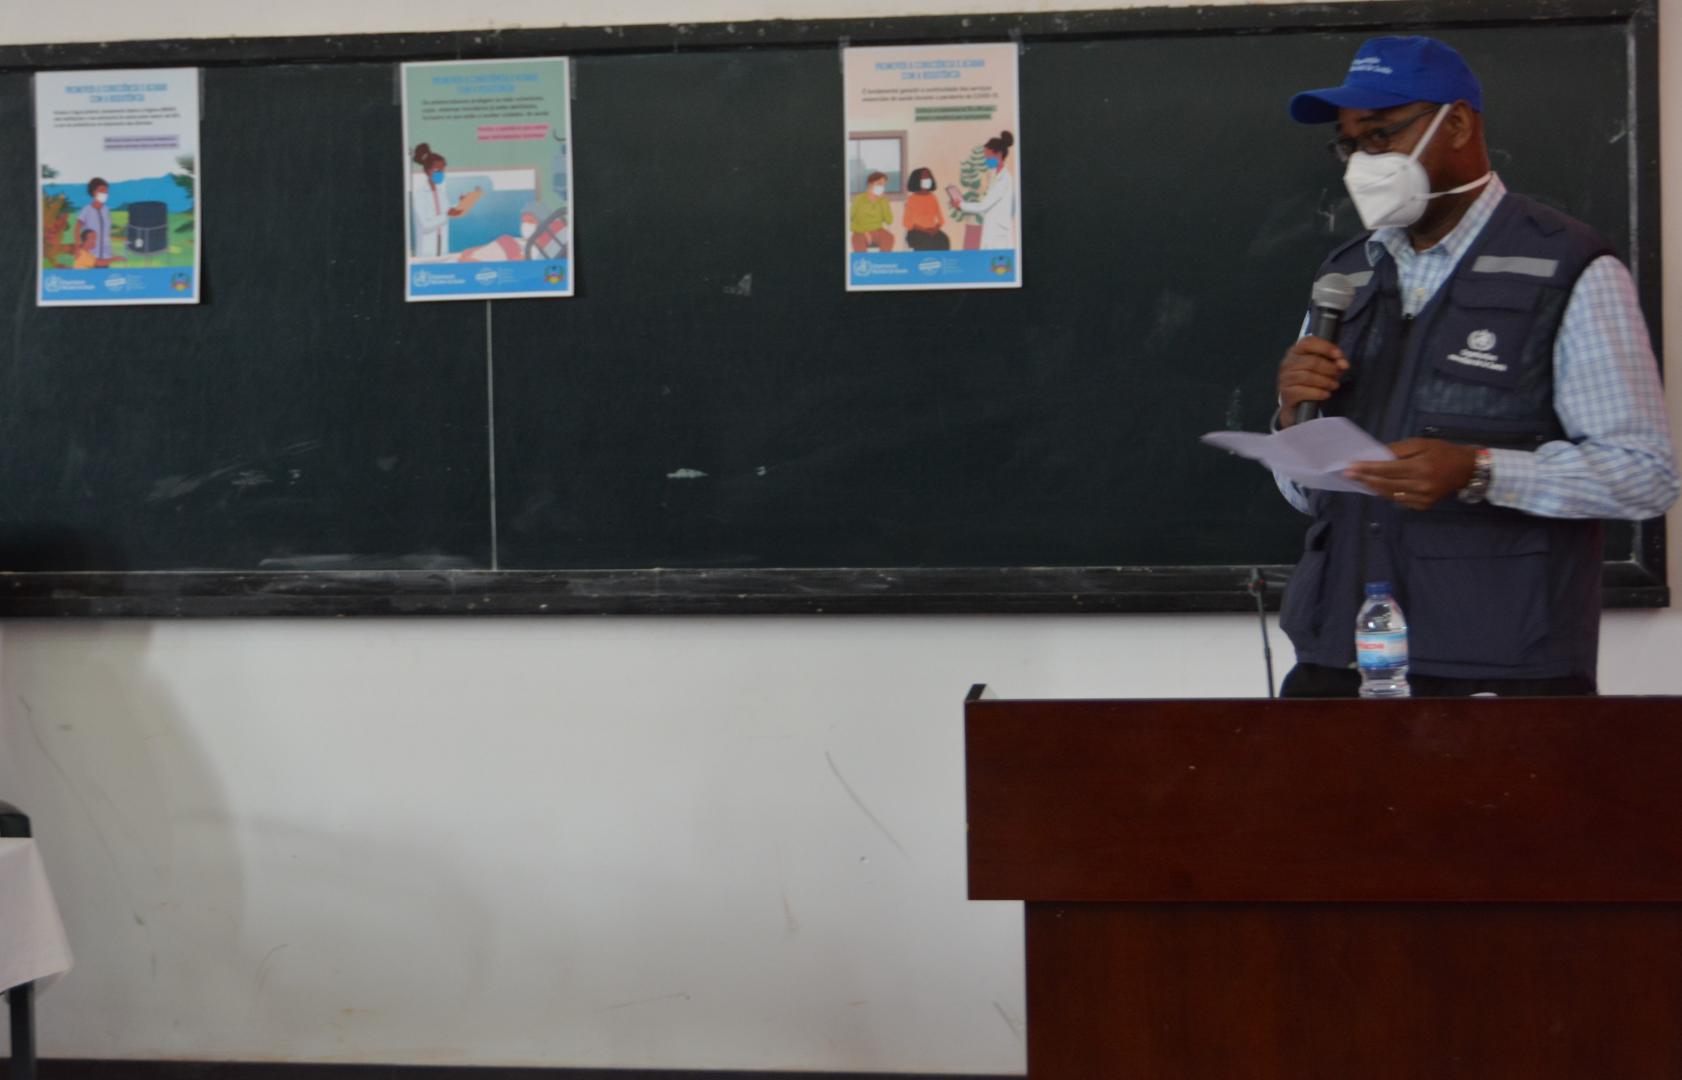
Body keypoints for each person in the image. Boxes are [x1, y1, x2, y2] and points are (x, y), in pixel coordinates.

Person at [1273, 36, 1678, 698]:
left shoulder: (1568, 266)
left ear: (1457, 124)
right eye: (1350, 146)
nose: (1363, 164)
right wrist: (1295, 422)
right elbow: (1308, 495)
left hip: (1501, 674)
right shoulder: (1346, 275)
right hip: (1340, 662)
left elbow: (1644, 476)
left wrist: (1480, 471)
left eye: (1380, 136)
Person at [410, 143, 477, 258]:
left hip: (442, 248)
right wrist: (447, 214)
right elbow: (426, 226)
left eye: (442, 170)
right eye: (438, 170)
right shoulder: (419, 195)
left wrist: (462, 203)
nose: (441, 174)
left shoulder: (441, 193)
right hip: (427, 251)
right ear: (428, 171)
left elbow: (448, 211)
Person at [953, 132, 1015, 250]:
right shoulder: (994, 175)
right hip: (993, 230)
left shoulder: (1004, 179)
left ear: (999, 154)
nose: (986, 160)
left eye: (988, 157)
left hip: (999, 234)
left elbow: (983, 206)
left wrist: (961, 205)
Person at [457, 203, 565, 263]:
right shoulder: (532, 240)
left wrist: (474, 261)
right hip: (508, 246)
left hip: (503, 254)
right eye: (523, 221)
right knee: (467, 252)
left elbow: (518, 260)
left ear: (542, 222)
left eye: (530, 221)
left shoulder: (540, 244)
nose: (526, 225)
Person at [902, 167, 949, 251]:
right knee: (928, 242)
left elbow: (941, 220)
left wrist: (936, 228)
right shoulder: (911, 199)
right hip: (916, 232)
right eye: (924, 177)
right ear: (917, 179)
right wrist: (925, 230)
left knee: (944, 239)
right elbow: (907, 223)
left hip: (932, 230)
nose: (928, 179)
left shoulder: (933, 198)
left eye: (929, 176)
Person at [849, 171, 895, 252]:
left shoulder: (883, 200)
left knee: (889, 237)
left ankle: (882, 260)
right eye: (879, 183)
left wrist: (882, 201)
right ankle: (863, 260)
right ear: (870, 184)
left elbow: (889, 221)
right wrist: (864, 232)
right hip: (860, 231)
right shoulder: (859, 199)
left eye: (883, 185)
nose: (882, 187)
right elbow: (850, 219)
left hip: (878, 230)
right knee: (858, 241)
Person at [75, 178, 113, 263]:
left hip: (106, 255)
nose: (104, 193)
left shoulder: (106, 210)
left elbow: (108, 231)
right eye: (101, 190)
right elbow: (77, 229)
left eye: (106, 191)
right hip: (90, 255)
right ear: (94, 192)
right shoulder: (86, 210)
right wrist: (77, 247)